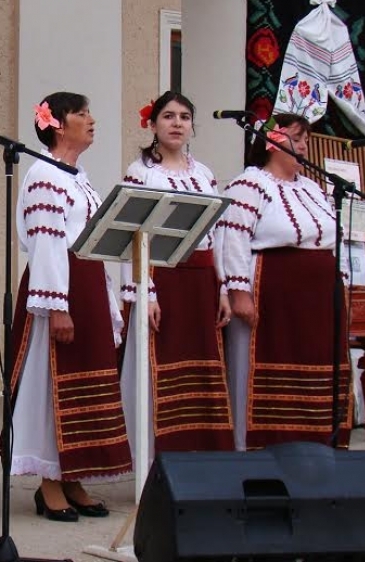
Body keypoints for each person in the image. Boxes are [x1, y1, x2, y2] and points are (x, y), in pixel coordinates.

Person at [8, 92, 131, 523]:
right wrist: (56, 305)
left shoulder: (76, 176)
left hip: (86, 282)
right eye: (82, 113)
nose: (92, 120)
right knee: (52, 383)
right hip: (57, 287)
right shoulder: (44, 175)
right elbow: (45, 241)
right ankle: (48, 482)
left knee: (88, 380)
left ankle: (74, 474)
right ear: (58, 123)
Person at [215, 113, 352, 451]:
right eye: (295, 137)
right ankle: (263, 448)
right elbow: (232, 239)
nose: (304, 144)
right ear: (270, 142)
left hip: (319, 298)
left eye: (306, 138)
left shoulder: (312, 188)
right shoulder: (249, 185)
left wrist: (342, 285)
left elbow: (334, 240)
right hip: (274, 294)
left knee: (318, 370)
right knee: (268, 370)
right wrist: (239, 291)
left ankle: (318, 444)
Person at [118, 91, 234, 465]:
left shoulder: (204, 174)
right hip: (163, 280)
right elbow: (133, 235)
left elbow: (216, 234)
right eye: (168, 116)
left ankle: (203, 455)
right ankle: (160, 459)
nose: (177, 123)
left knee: (202, 368)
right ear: (153, 125)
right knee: (163, 369)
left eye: (184, 117)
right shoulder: (142, 173)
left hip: (201, 282)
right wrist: (145, 292)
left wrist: (223, 288)